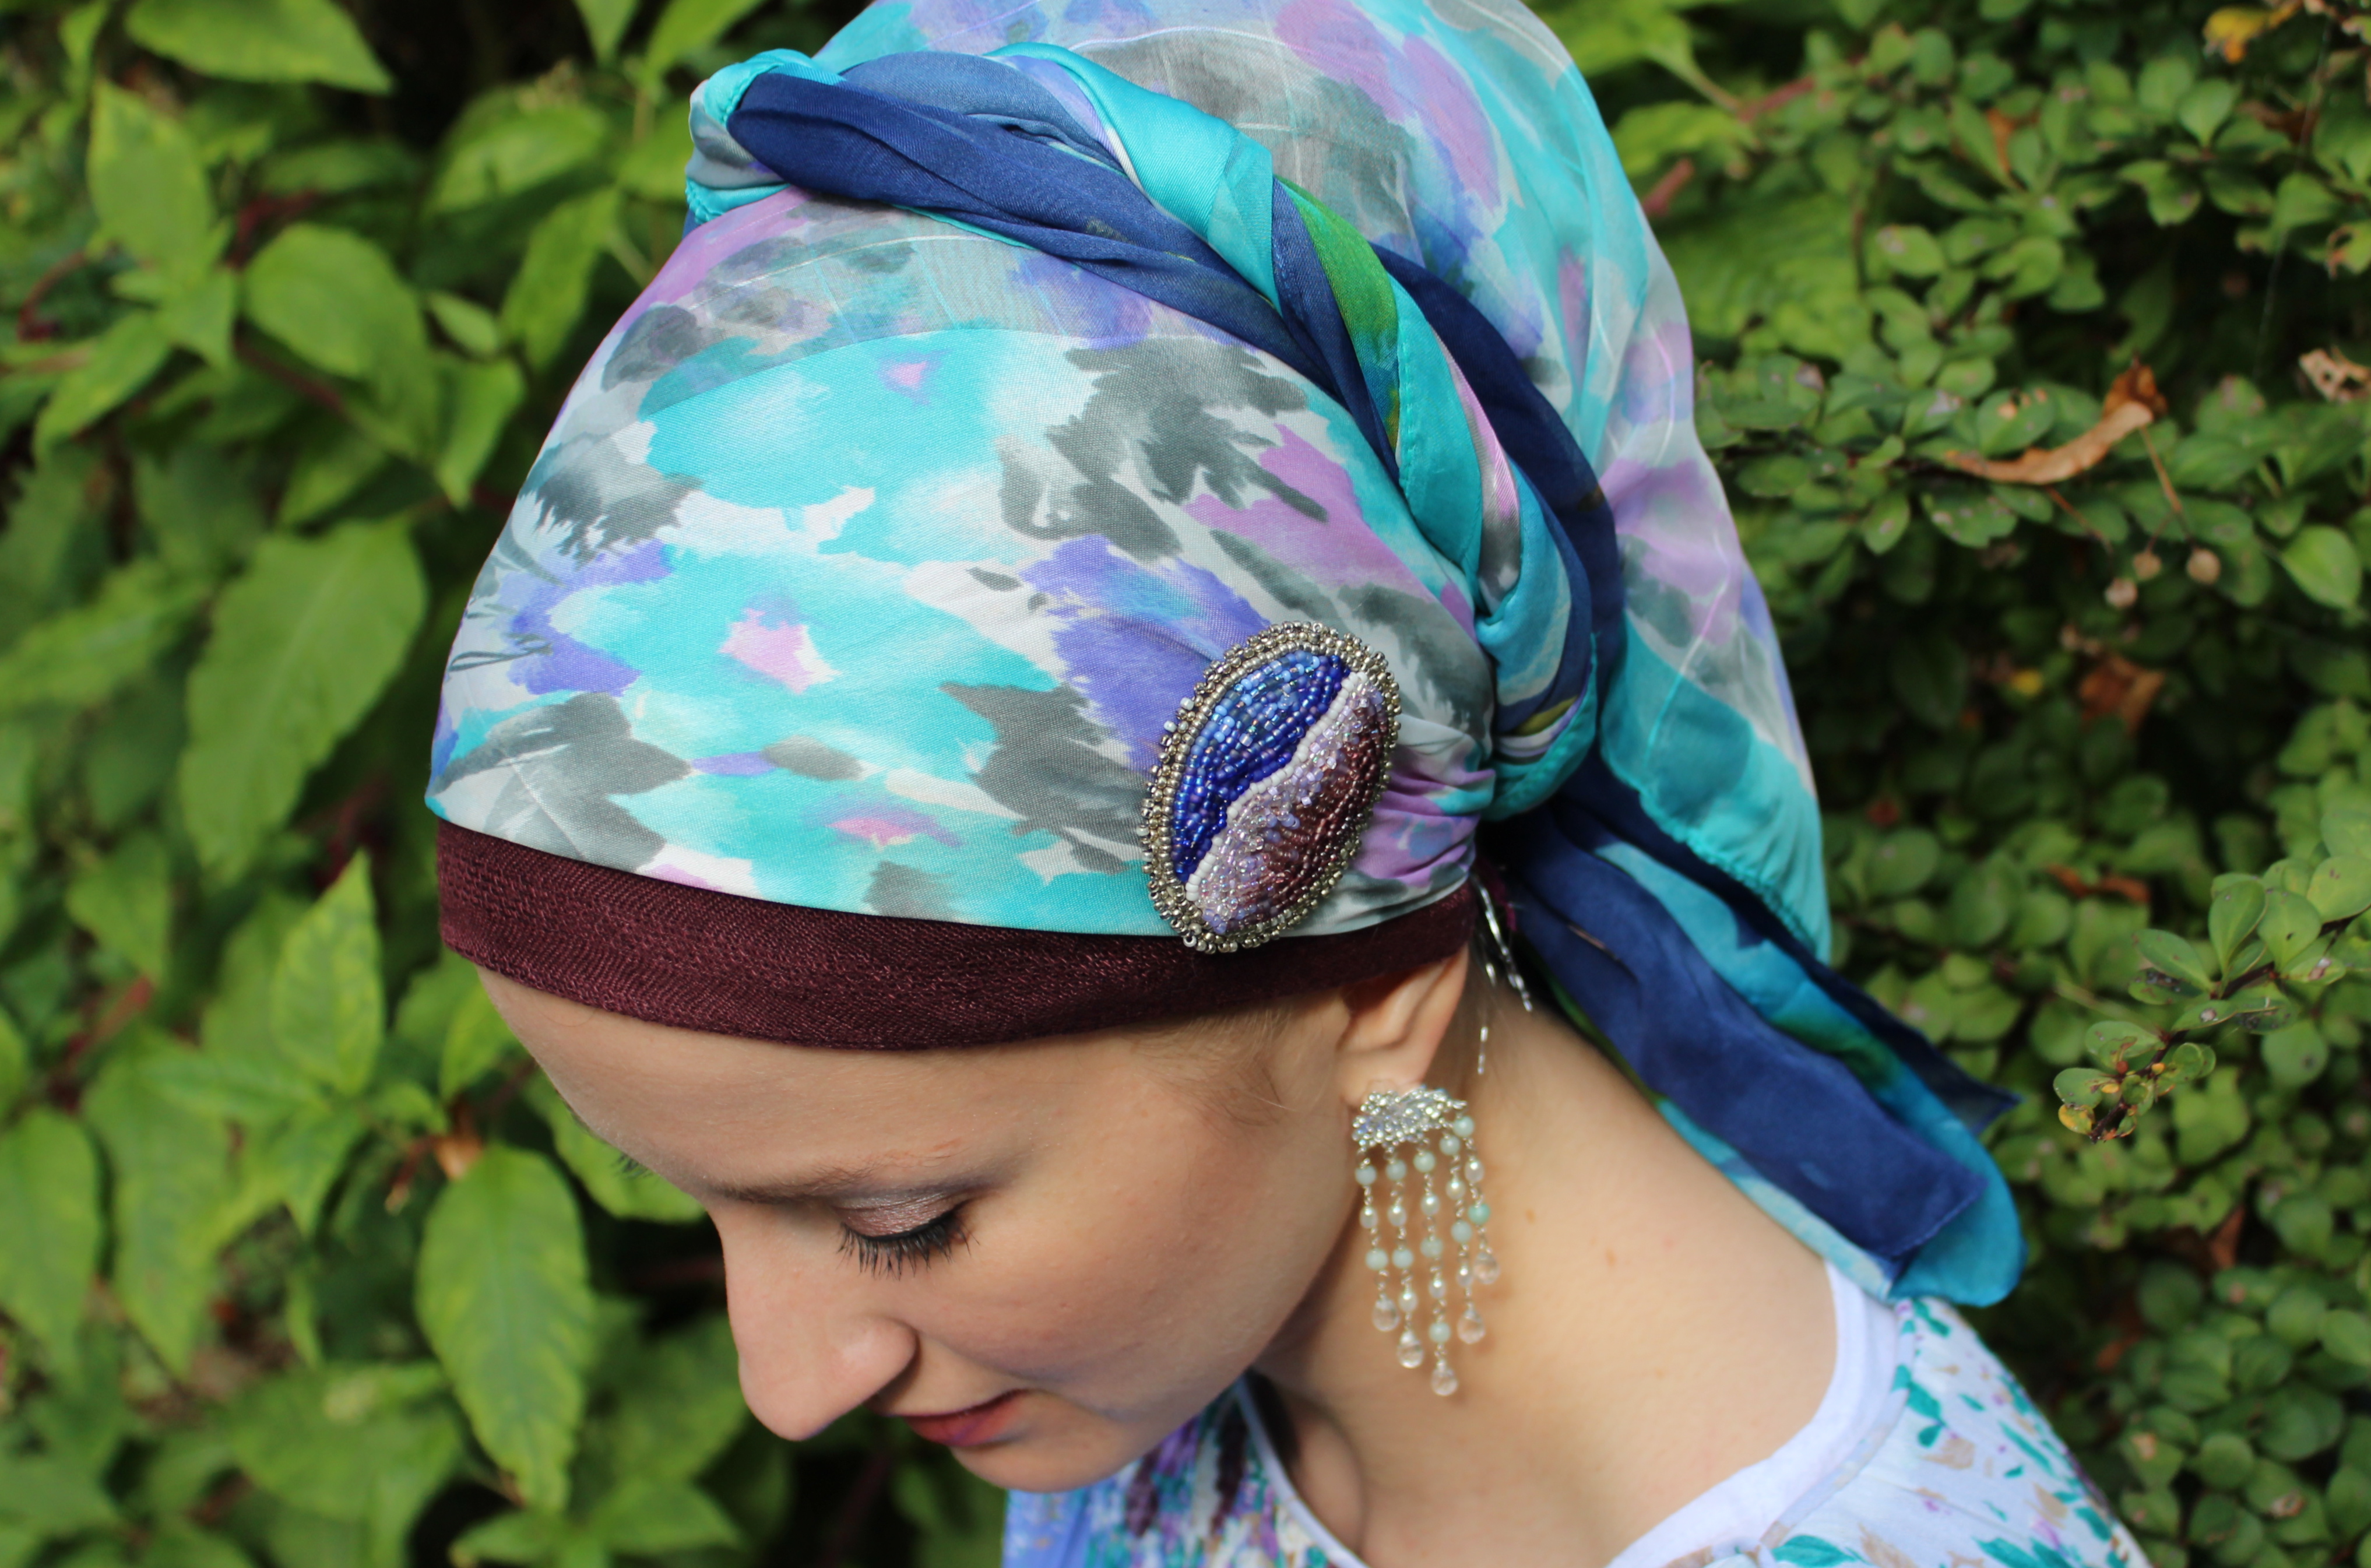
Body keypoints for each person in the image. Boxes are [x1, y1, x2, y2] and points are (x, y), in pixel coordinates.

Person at [426, 0, 2147, 1564]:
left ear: (1375, 984)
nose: (787, 1382)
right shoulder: (1161, 1362)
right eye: (697, 1197)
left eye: (902, 1223)